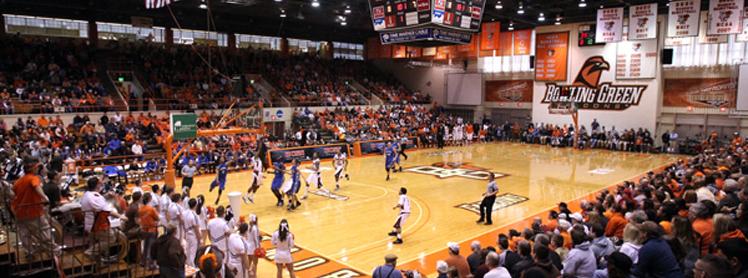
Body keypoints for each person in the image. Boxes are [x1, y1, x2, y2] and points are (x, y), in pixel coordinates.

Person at [11, 157, 57, 255]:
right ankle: (54, 252)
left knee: (25, 235)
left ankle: (29, 253)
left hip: (19, 212)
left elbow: (13, 194)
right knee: (44, 233)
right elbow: (36, 186)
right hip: (33, 212)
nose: (38, 169)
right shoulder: (33, 178)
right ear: (33, 169)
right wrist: (44, 197)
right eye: (37, 168)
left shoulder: (18, 181)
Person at [80, 177, 126, 260]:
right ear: (97, 185)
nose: (102, 185)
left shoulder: (87, 194)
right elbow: (108, 211)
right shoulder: (96, 197)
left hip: (89, 224)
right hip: (98, 225)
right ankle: (89, 252)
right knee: (111, 238)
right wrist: (121, 216)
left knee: (94, 241)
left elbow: (95, 202)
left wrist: (105, 196)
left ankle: (96, 261)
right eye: (100, 184)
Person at [139, 192, 160, 269]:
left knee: (145, 246)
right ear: (150, 199)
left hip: (144, 230)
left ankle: (143, 262)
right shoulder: (151, 209)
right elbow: (157, 218)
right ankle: (151, 265)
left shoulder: (140, 208)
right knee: (152, 248)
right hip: (152, 230)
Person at [182, 198, 202, 267]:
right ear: (195, 205)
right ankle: (192, 268)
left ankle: (187, 266)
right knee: (193, 253)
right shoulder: (194, 215)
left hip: (186, 233)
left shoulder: (184, 212)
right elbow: (196, 228)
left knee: (188, 252)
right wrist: (199, 239)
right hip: (193, 235)